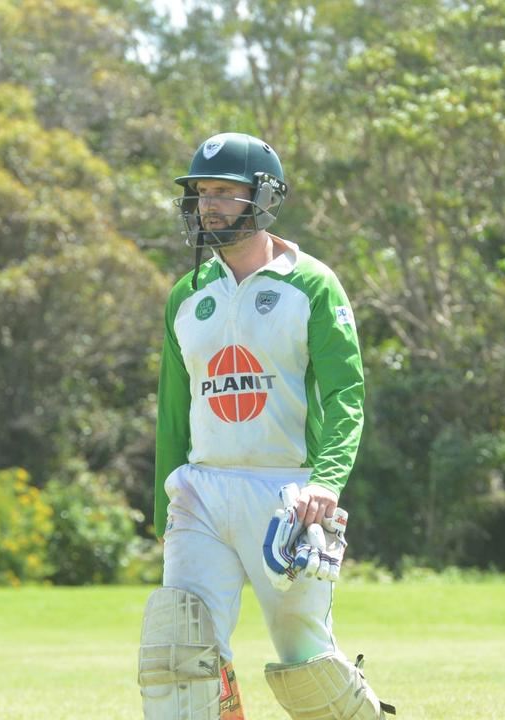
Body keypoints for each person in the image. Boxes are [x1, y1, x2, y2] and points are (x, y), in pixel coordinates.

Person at [137, 132, 394, 719]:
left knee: (308, 667)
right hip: (200, 492)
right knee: (179, 653)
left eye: (226, 192)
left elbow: (346, 394)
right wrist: (163, 507)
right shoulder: (186, 295)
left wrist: (326, 483)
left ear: (264, 195)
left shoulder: (312, 285)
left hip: (289, 496)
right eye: (203, 193)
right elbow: (175, 410)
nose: (210, 205)